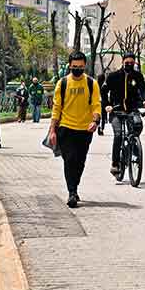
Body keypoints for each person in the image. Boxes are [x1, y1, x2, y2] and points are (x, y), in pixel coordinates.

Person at [48, 51, 101, 208]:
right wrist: (52, 130)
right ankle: (72, 192)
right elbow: (56, 108)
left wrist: (95, 121)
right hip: (66, 128)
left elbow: (96, 105)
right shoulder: (62, 83)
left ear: (85, 66)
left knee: (80, 161)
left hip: (85, 129)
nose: (77, 69)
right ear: (69, 66)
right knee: (69, 160)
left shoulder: (92, 84)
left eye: (80, 67)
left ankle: (74, 187)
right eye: (74, 67)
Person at [101, 52, 145, 176]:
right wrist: (107, 105)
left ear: (134, 63)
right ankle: (115, 163)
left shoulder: (137, 76)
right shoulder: (113, 76)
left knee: (137, 126)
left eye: (131, 63)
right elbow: (103, 91)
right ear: (122, 62)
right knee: (118, 135)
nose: (129, 65)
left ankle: (133, 149)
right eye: (127, 63)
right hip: (116, 111)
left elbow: (143, 89)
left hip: (132, 109)